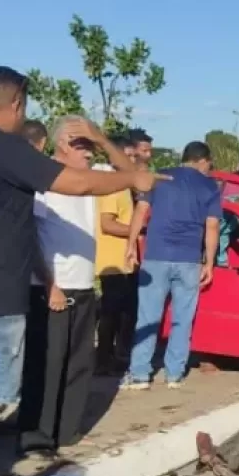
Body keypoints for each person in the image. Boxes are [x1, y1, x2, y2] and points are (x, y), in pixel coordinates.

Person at [0, 66, 164, 420]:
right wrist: (135, 177)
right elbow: (79, 184)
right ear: (17, 103)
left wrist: (102, 140)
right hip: (3, 293)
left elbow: (100, 178)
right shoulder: (7, 149)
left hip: (43, 287)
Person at [18, 116, 136, 460]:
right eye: (81, 145)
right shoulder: (43, 179)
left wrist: (100, 138)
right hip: (50, 288)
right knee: (46, 365)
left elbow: (131, 172)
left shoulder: (92, 176)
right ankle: (36, 438)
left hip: (83, 286)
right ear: (63, 144)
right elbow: (29, 239)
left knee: (78, 363)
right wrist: (50, 284)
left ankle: (67, 431)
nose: (88, 152)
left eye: (90, 146)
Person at [121, 141, 222, 390]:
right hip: (189, 259)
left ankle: (140, 374)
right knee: (182, 319)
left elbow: (141, 210)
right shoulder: (209, 186)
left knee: (148, 317)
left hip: (156, 255)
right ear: (202, 160)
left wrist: (131, 244)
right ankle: (174, 374)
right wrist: (209, 262)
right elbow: (212, 226)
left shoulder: (160, 177)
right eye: (209, 164)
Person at [94, 135, 139, 376]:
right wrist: (138, 229)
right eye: (127, 156)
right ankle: (103, 359)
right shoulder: (114, 187)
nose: (131, 160)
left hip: (123, 259)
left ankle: (113, 357)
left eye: (133, 156)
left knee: (121, 312)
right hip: (112, 260)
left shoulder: (124, 186)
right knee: (111, 313)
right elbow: (107, 223)